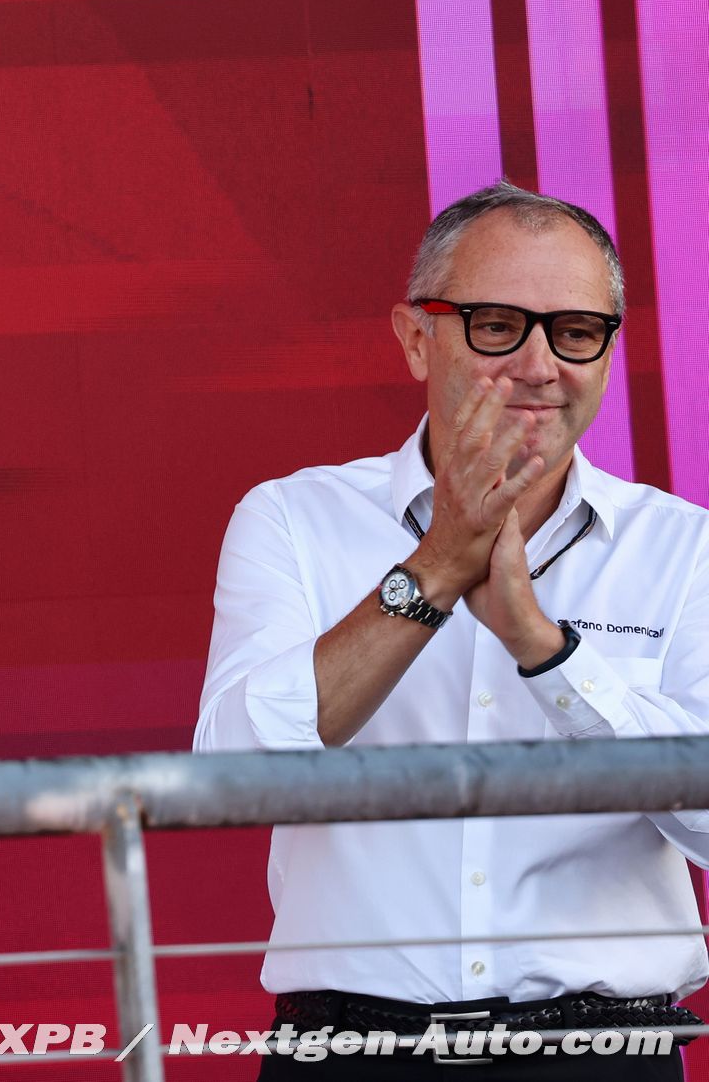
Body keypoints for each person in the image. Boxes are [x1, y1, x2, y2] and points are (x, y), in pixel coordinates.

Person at [195, 183, 709, 1077]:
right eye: (497, 325)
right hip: (350, 1052)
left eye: (575, 332)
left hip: (603, 1052)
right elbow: (229, 777)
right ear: (414, 338)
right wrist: (434, 570)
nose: (539, 366)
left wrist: (544, 650)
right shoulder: (293, 519)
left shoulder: (686, 548)